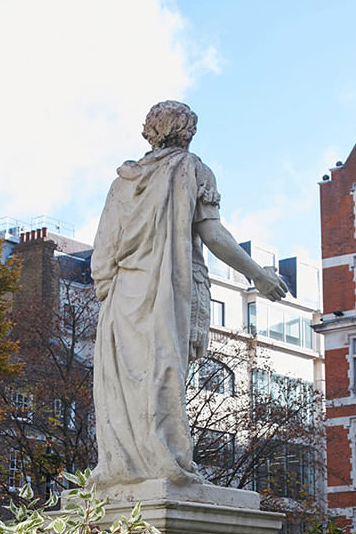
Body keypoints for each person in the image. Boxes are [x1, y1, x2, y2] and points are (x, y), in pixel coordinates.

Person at [89, 100, 288, 487]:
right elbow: (213, 234)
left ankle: (126, 466)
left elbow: (102, 254)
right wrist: (258, 276)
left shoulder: (121, 185)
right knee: (163, 373)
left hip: (122, 295)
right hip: (164, 288)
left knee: (124, 383)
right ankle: (163, 461)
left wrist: (108, 287)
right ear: (188, 133)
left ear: (150, 131)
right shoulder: (193, 169)